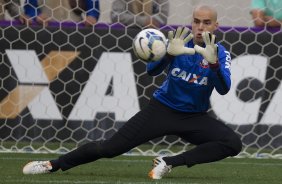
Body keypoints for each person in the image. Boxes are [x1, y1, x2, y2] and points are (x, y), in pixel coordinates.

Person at [22, 5, 242, 180]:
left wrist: (213, 65)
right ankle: (52, 165)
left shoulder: (220, 53)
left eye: (206, 22)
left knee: (232, 143)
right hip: (162, 110)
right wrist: (168, 55)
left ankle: (169, 162)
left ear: (216, 26)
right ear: (191, 23)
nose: (200, 27)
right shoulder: (177, 43)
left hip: (194, 116)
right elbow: (151, 71)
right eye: (196, 21)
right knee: (109, 148)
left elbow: (223, 89)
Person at [19, 0, 100, 26]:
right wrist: (36, 16)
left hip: (75, 30)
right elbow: (30, 6)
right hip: (45, 29)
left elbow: (93, 7)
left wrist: (92, 17)